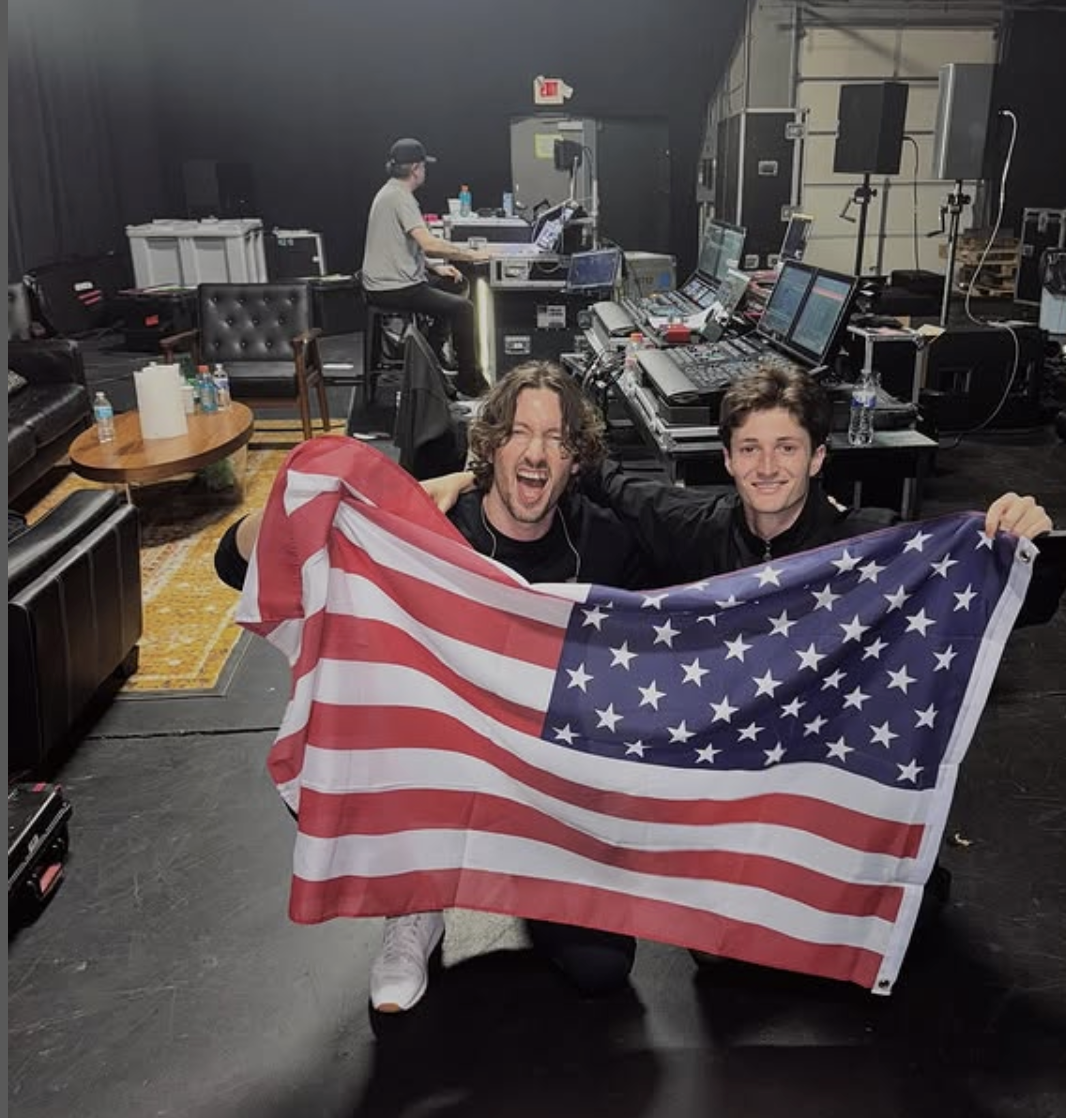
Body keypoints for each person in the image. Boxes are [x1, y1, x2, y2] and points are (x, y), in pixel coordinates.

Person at [214, 360, 653, 1013]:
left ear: (576, 458)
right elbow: (233, 559)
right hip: (438, 769)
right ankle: (414, 899)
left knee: (602, 968)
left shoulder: (606, 541)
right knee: (344, 734)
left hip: (540, 784)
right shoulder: (429, 524)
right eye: (519, 433)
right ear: (492, 443)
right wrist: (315, 504)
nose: (536, 453)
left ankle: (530, 873)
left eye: (556, 439)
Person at [361, 137, 490, 398]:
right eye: (423, 167)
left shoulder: (389, 192)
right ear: (415, 169)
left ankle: (431, 355)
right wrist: (470, 255)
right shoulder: (400, 197)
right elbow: (428, 243)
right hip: (394, 287)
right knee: (464, 308)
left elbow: (400, 247)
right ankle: (469, 380)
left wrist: (434, 268)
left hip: (387, 281)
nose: (424, 172)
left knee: (455, 284)